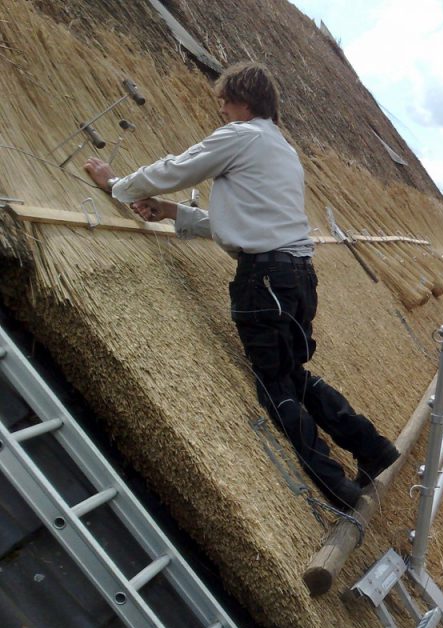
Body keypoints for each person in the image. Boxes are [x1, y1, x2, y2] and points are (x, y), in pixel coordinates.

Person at [83, 62, 399, 513]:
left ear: (244, 102)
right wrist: (174, 214)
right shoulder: (281, 150)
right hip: (297, 275)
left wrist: (116, 184)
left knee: (273, 383)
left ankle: (336, 488)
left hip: (265, 279)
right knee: (293, 375)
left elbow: (177, 168)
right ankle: (373, 448)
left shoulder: (241, 135)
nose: (221, 111)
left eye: (224, 102)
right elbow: (245, 223)